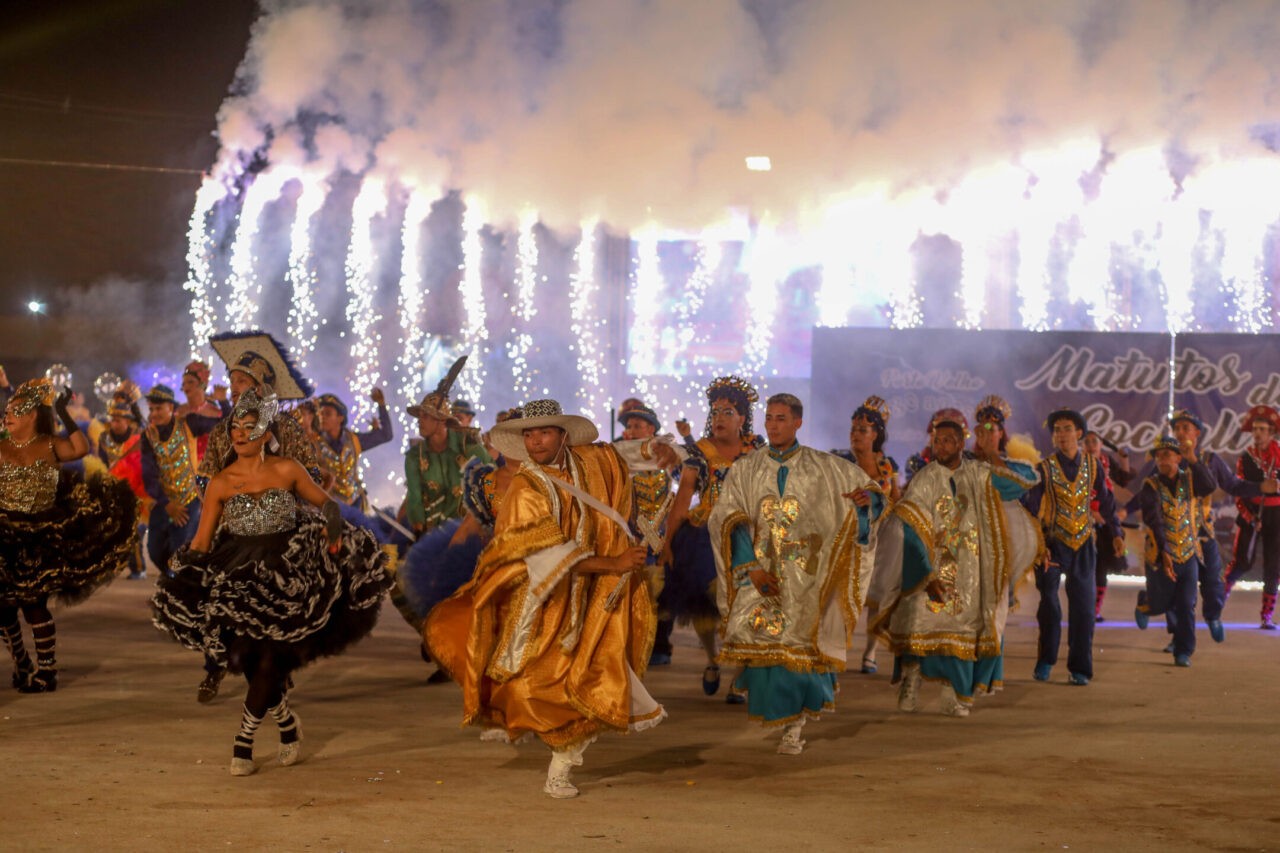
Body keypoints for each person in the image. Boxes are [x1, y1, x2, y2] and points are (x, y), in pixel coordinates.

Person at [424, 399, 664, 799]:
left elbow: (618, 454)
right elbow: (546, 558)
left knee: (595, 673)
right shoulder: (525, 488)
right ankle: (560, 757)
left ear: (563, 436)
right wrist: (615, 562)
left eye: (544, 432)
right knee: (535, 686)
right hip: (548, 600)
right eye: (529, 434)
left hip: (597, 593)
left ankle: (562, 766)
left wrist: (657, 449)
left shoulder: (588, 462)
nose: (535, 441)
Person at [150, 387, 390, 776]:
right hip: (238, 572)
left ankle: (242, 741)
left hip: (290, 572)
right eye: (235, 428)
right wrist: (181, 564)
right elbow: (201, 540)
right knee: (245, 657)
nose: (240, 434)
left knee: (269, 660)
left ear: (266, 434)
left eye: (249, 427)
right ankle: (286, 723)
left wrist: (332, 532)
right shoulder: (221, 482)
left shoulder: (287, 469)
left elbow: (327, 504)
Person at [709, 393, 883, 754]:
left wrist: (867, 506)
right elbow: (728, 517)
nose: (773, 425)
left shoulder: (825, 466)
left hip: (808, 578)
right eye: (770, 418)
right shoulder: (746, 469)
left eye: (781, 418)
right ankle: (784, 717)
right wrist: (751, 568)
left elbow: (869, 492)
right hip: (761, 573)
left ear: (798, 422)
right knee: (765, 645)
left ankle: (796, 724)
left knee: (803, 647)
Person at [870, 406, 1039, 717]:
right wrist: (924, 572)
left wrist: (993, 456)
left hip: (967, 573)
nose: (942, 446)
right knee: (917, 627)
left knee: (960, 631)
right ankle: (911, 682)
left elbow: (1025, 480)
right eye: (938, 440)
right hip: (927, 570)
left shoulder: (978, 474)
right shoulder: (924, 478)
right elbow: (907, 524)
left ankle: (953, 693)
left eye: (949, 440)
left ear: (962, 443)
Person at [0, 379, 137, 692]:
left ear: (33, 414)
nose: (7, 415)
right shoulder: (0, 447)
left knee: (34, 605)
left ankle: (47, 672)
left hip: (40, 536)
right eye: (6, 411)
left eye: (15, 410)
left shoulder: (50, 444)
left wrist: (63, 411)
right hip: (5, 534)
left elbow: (80, 447)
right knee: (3, 607)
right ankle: (22, 662)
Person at [663, 376, 763, 700]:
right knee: (703, 601)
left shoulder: (758, 450)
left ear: (743, 418)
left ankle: (741, 673)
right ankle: (712, 659)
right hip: (704, 535)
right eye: (716, 411)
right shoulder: (699, 452)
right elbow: (683, 499)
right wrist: (667, 543)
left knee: (745, 604)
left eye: (728, 411)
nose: (720, 417)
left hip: (748, 533)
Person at [1021, 407, 1125, 686]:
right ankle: (1046, 660)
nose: (1061, 434)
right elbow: (1030, 509)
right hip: (1052, 546)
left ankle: (1080, 668)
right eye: (1057, 430)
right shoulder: (1043, 469)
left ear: (1079, 434)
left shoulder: (1094, 466)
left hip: (1083, 545)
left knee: (1083, 608)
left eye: (1067, 428)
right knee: (1050, 606)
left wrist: (1116, 532)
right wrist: (1038, 545)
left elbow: (1106, 502)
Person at [1166, 408, 1277, 643]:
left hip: (1203, 531)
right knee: (1177, 587)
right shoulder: (1165, 458)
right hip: (1175, 532)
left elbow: (1233, 486)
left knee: (1214, 581)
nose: (1180, 432)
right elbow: (1150, 490)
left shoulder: (1210, 459)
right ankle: (1179, 640)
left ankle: (1215, 615)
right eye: (1177, 428)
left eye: (1186, 427)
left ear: (1197, 432)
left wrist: (1260, 487)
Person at [1133, 435, 1217, 667]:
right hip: (1160, 554)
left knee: (1186, 603)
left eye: (1167, 455)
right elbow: (1155, 520)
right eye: (1158, 456)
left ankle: (1184, 651)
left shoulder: (1191, 480)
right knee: (1162, 603)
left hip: (1189, 553)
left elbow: (1210, 486)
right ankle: (1145, 602)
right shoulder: (1150, 486)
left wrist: (1194, 460)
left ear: (1178, 457)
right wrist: (1165, 551)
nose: (1162, 460)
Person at [834, 396, 901, 675]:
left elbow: (897, 500)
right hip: (848, 537)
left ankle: (870, 652)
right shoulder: (839, 461)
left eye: (862, 430)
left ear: (876, 434)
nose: (855, 435)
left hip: (881, 540)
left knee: (877, 595)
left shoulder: (887, 466)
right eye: (853, 429)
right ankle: (835, 650)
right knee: (841, 599)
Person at [140, 384, 223, 580]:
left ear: (171, 407)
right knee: (154, 549)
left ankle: (176, 585)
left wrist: (225, 402)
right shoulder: (148, 435)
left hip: (189, 499)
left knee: (180, 549)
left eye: (158, 408)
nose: (154, 414)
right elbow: (149, 474)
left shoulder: (189, 423)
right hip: (164, 502)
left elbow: (222, 425)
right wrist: (166, 504)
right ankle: (172, 578)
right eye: (151, 409)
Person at [1224, 405, 1280, 627]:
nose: (1257, 433)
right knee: (1242, 562)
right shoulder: (1245, 458)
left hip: (1276, 515)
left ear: (1272, 432)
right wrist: (1249, 517)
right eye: (1255, 429)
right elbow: (1238, 489)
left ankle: (1266, 616)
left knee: (1273, 565)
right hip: (1251, 513)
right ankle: (1217, 601)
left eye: (1262, 429)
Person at [314, 389, 392, 520]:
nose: (323, 418)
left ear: (340, 418)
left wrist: (381, 405)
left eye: (327, 414)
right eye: (321, 414)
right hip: (331, 508)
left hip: (357, 503)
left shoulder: (354, 440)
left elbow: (386, 435)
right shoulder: (314, 444)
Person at [1083, 430, 1132, 622]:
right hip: (1082, 521)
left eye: (1094, 441)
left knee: (1101, 568)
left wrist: (1124, 458)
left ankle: (1094, 610)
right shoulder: (1077, 465)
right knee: (1083, 569)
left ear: (1101, 445)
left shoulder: (1107, 463)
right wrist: (1090, 511)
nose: (1091, 445)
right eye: (1086, 442)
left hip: (1104, 521)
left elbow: (1125, 478)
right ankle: (1083, 608)